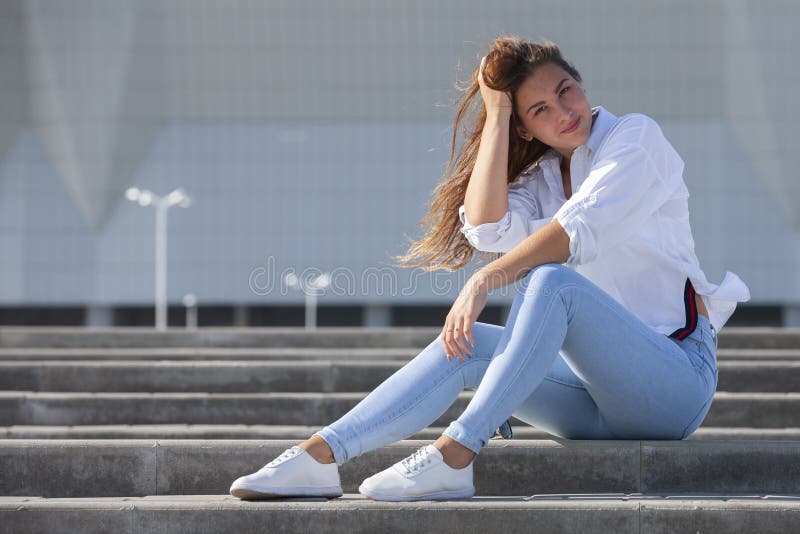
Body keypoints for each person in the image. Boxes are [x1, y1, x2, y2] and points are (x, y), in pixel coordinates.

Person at [229, 36, 751, 502]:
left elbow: (575, 233)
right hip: (595, 400)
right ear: (526, 126)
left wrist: (483, 278)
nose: (563, 112)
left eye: (566, 90)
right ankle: (321, 456)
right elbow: (486, 226)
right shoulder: (545, 174)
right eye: (540, 110)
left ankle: (456, 454)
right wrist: (498, 113)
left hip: (675, 382)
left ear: (581, 83)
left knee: (552, 281)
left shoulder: (636, 139)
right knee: (471, 343)